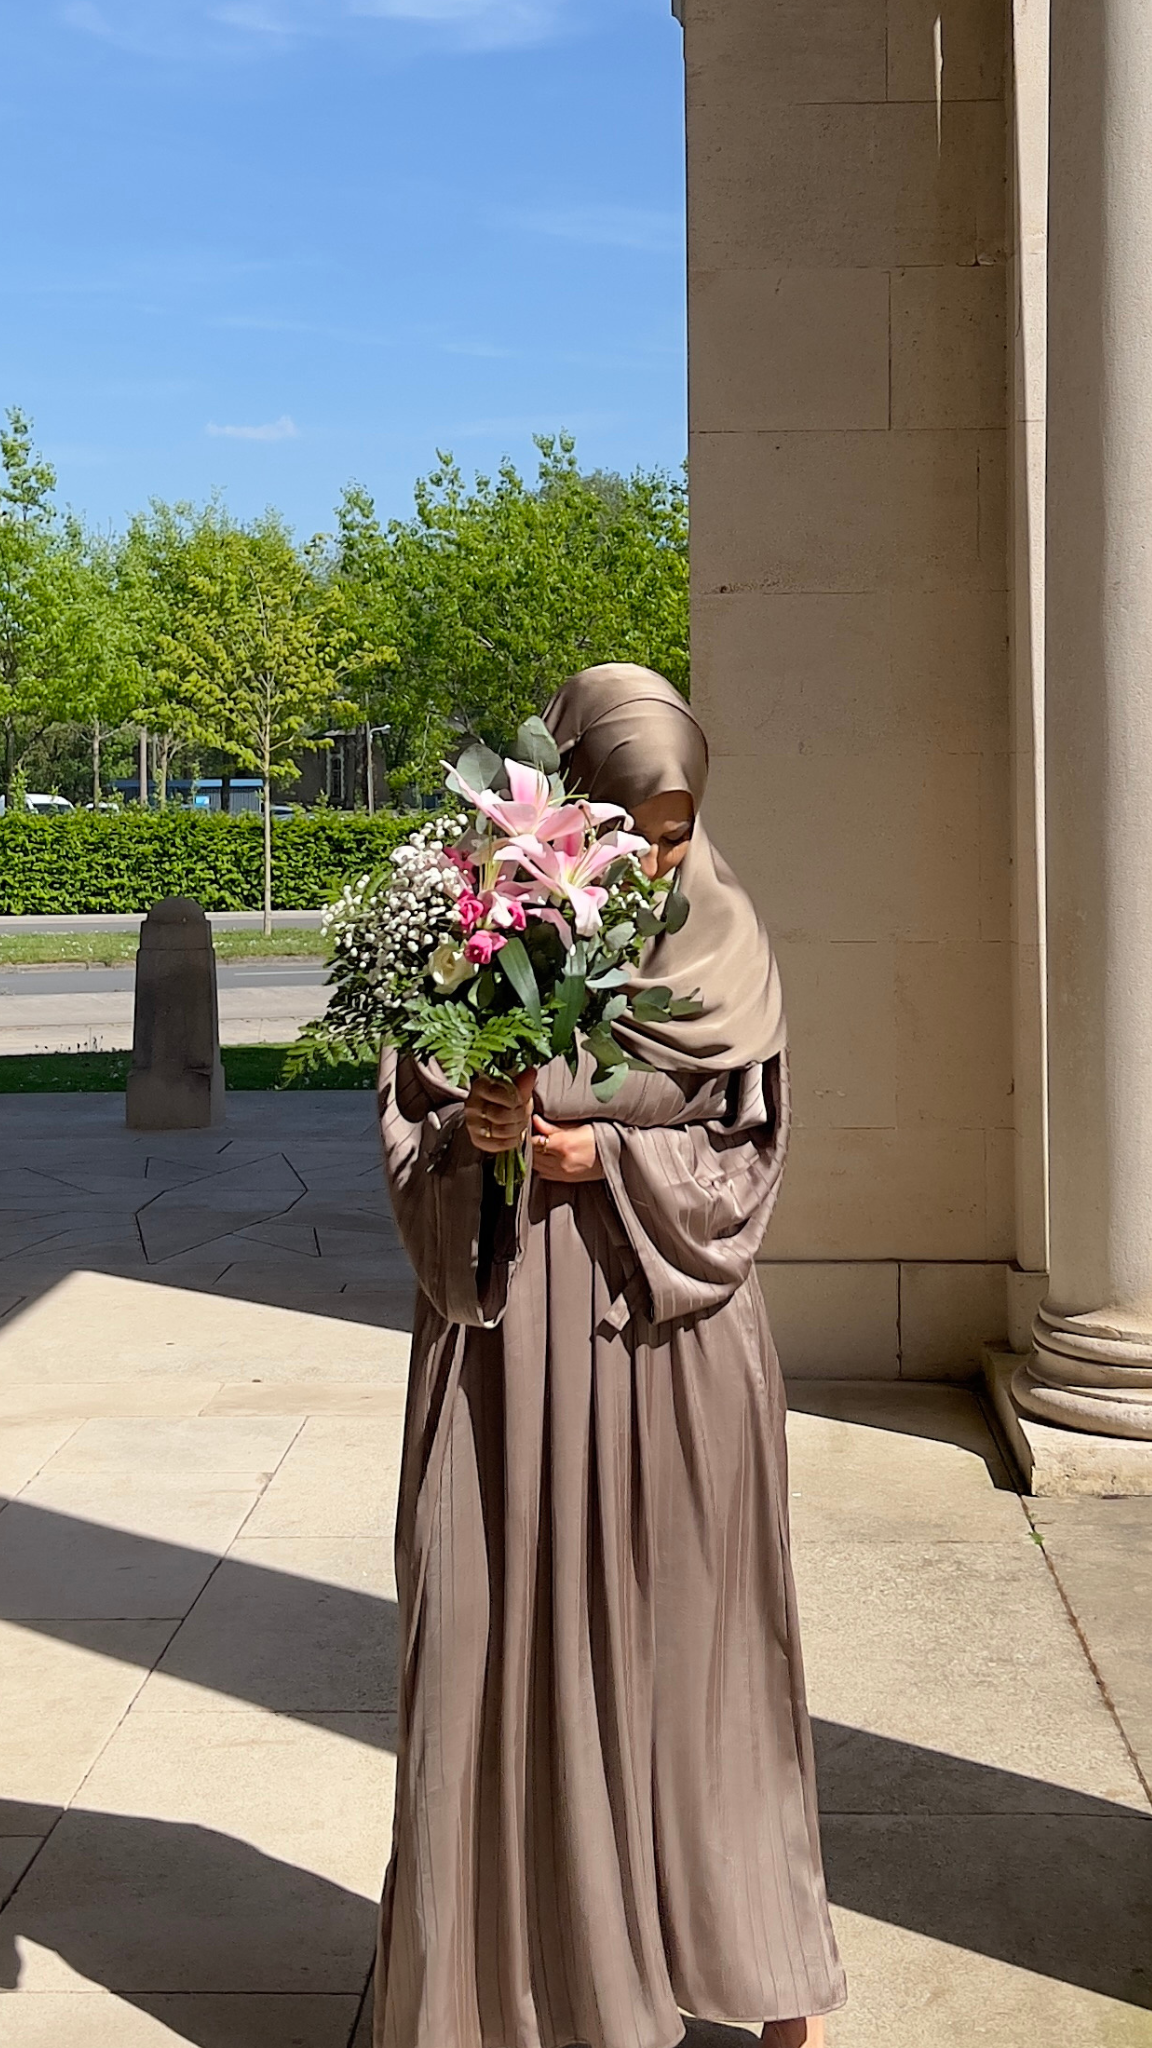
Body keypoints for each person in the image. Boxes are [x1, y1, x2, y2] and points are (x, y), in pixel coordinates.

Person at [375, 664, 846, 2048]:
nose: (655, 849)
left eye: (677, 821)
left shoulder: (728, 943)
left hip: (672, 1343)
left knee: (697, 1662)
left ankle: (753, 1966)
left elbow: (745, 1163)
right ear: (567, 803)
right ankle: (513, 1991)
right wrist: (488, 1135)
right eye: (629, 818)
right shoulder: (473, 920)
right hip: (511, 1349)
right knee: (491, 1646)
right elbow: (416, 1128)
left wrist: (605, 1155)